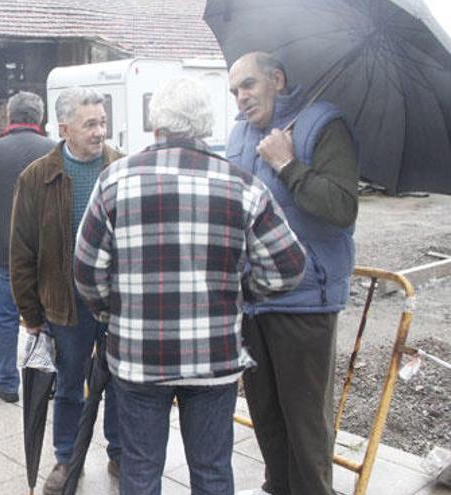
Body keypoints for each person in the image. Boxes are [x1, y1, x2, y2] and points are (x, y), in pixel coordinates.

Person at [73, 78, 307, 495]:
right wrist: (241, 293)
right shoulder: (243, 186)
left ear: (155, 122)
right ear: (205, 123)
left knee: (140, 469)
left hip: (138, 354)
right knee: (213, 470)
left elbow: (87, 269)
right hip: (213, 357)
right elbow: (288, 267)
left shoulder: (115, 180)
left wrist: (112, 311)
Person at [227, 52, 359, 495]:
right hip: (254, 300)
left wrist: (288, 164)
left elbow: (341, 208)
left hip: (304, 299)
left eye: (248, 85)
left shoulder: (324, 125)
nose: (241, 98)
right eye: (234, 91)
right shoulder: (241, 134)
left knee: (306, 428)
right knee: (267, 421)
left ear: (277, 79)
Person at [9, 87, 123, 493]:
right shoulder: (37, 176)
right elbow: (21, 252)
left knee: (119, 381)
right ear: (64, 128)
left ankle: (119, 451)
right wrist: (31, 314)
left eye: (102, 123)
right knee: (71, 384)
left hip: (117, 303)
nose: (99, 132)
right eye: (90, 124)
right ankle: (66, 457)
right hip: (66, 305)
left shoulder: (122, 167)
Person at [0, 91, 55, 403]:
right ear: (39, 118)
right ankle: (49, 381)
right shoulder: (55, 150)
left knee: (6, 318)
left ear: (9, 117)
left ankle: (6, 382)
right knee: (49, 316)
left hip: (5, 251)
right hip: (47, 253)